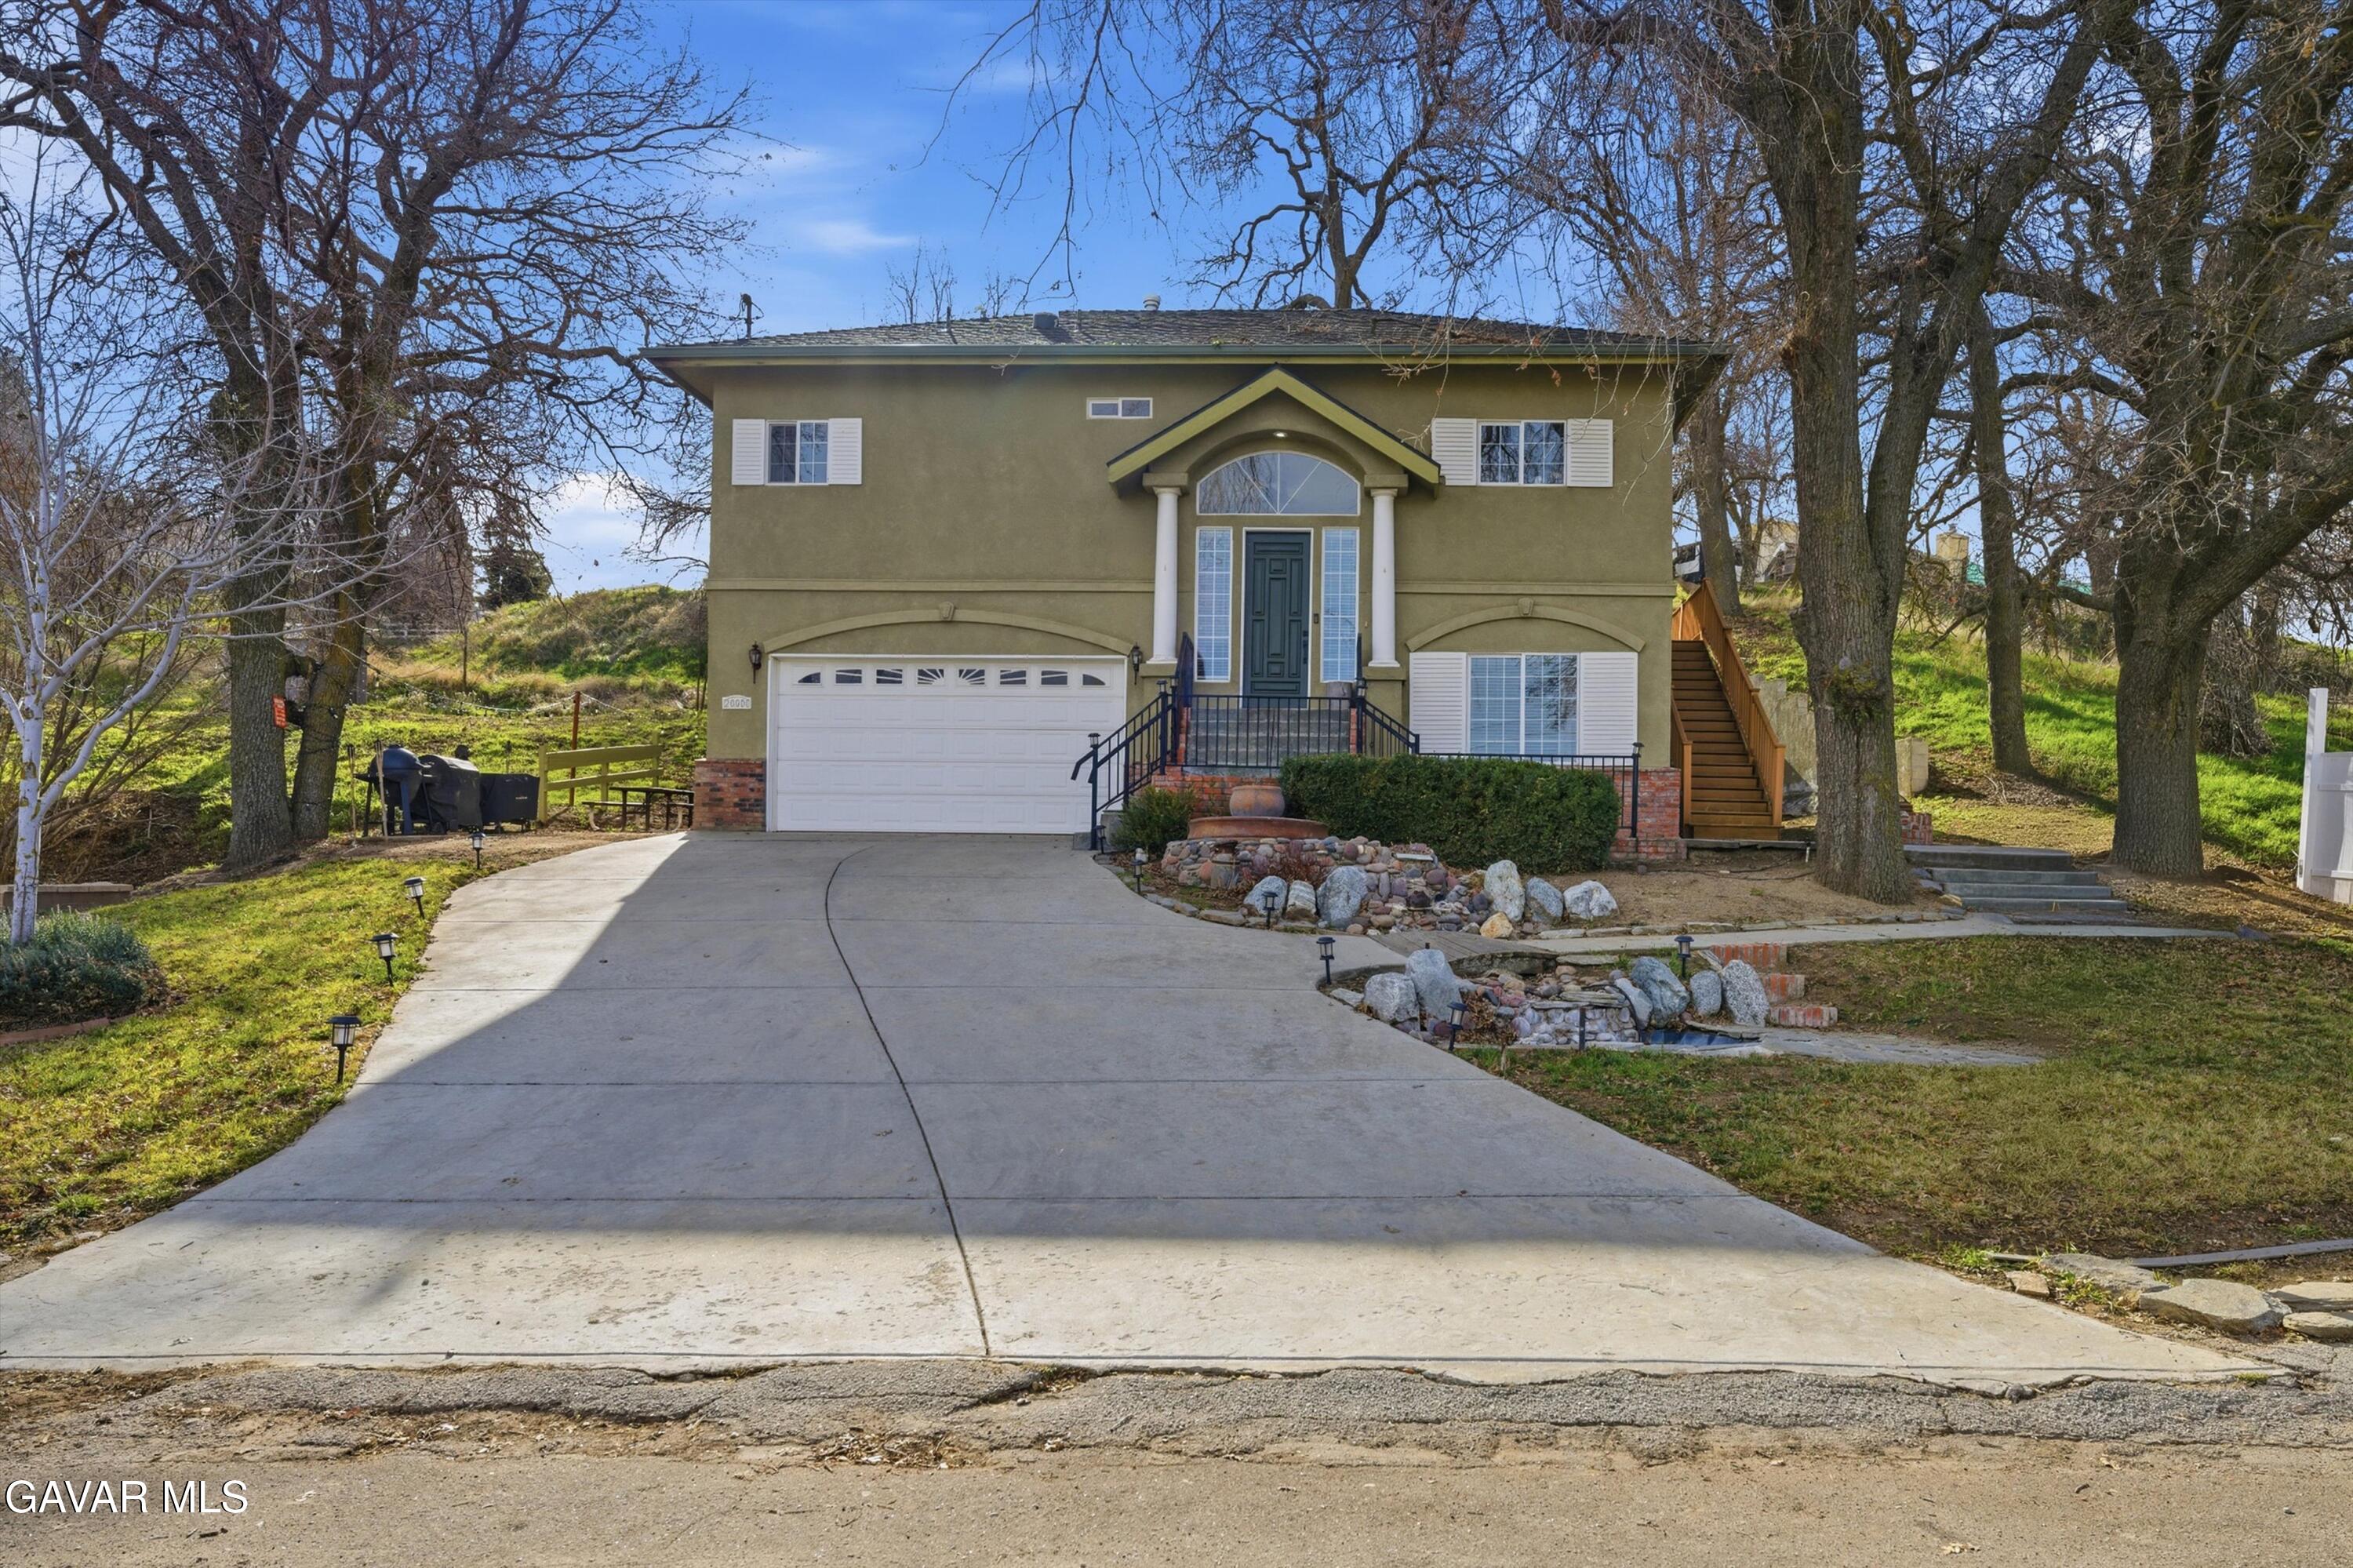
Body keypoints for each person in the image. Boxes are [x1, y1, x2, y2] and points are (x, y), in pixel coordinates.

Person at [378, 744, 422, 835]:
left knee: (391, 802)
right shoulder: (409, 759)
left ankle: (390, 828)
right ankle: (404, 828)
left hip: (398, 776)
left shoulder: (383, 756)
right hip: (405, 775)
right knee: (393, 801)